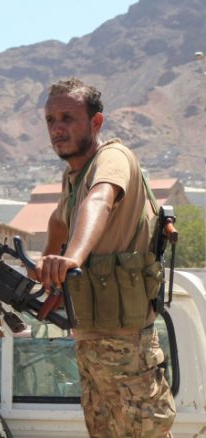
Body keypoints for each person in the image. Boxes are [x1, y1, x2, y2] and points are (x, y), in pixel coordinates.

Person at [33, 78, 175, 437]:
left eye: (67, 118)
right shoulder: (73, 177)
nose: (57, 128)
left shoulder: (112, 159)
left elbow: (100, 200)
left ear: (96, 122)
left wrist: (71, 258)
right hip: (93, 343)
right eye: (50, 120)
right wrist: (43, 263)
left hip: (128, 345)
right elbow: (60, 219)